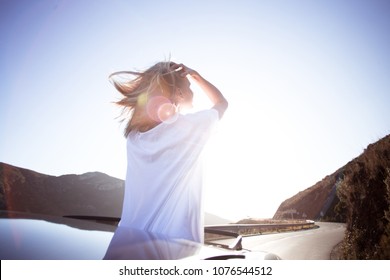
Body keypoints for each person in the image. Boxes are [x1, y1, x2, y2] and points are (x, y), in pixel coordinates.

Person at [109, 61, 228, 243]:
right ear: (179, 93)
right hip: (173, 248)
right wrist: (196, 76)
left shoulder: (133, 138)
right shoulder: (188, 128)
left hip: (125, 244)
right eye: (189, 86)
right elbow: (221, 103)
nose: (193, 90)